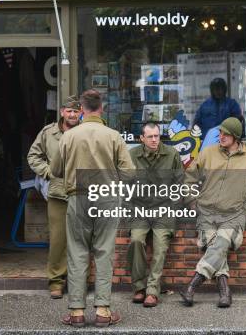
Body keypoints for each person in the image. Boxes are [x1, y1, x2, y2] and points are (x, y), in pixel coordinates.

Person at [51, 89, 135, 327]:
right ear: (102, 108)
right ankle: (103, 311)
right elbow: (129, 173)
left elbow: (55, 171)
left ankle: (77, 312)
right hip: (107, 197)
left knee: (77, 253)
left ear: (81, 110)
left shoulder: (68, 136)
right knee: (104, 252)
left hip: (77, 197)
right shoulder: (113, 136)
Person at [180, 117, 246, 308]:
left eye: (226, 134)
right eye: (221, 132)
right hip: (206, 214)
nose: (221, 136)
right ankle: (225, 293)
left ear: (236, 137)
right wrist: (193, 203)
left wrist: (244, 213)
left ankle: (192, 285)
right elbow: (189, 178)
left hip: (233, 216)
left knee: (220, 243)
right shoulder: (208, 153)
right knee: (217, 248)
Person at [27, 95, 81, 299]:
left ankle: (77, 280)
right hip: (58, 192)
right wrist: (48, 171)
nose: (73, 114)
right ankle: (56, 281)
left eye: (76, 111)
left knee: (80, 239)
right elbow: (33, 156)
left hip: (82, 191)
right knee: (58, 239)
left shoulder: (86, 132)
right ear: (62, 112)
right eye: (69, 111)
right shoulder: (48, 132)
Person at [127, 122, 183, 307]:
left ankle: (152, 291)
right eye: (150, 136)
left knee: (160, 247)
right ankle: (139, 288)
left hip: (164, 210)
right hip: (140, 210)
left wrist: (173, 210)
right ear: (142, 138)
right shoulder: (132, 155)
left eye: (157, 136)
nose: (154, 140)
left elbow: (180, 184)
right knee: (136, 240)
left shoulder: (172, 154)